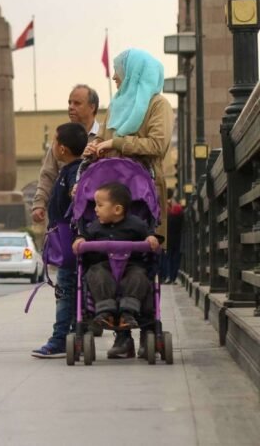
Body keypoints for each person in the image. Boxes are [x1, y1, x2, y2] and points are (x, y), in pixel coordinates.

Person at [85, 48, 172, 358]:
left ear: (134, 72)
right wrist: (96, 149)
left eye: (119, 70)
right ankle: (122, 338)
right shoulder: (119, 106)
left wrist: (117, 143)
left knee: (142, 265)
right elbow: (107, 143)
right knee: (107, 264)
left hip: (143, 197)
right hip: (112, 195)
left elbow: (157, 145)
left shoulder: (157, 105)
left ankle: (148, 329)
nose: (114, 76)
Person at [31, 122, 89, 358]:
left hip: (69, 246)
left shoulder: (72, 174)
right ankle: (75, 334)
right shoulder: (72, 171)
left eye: (54, 142)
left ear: (62, 149)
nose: (52, 146)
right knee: (73, 291)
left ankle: (59, 339)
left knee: (65, 291)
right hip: (70, 243)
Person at [72, 182, 160, 332]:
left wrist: (151, 239)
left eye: (100, 205)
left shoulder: (136, 224)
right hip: (103, 265)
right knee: (96, 274)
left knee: (139, 276)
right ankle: (106, 311)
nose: (95, 209)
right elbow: (84, 237)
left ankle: (128, 311)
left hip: (131, 265)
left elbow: (149, 238)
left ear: (117, 209)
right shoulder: (94, 226)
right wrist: (79, 240)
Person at [31, 85, 101, 226]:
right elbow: (48, 174)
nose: (70, 107)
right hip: (63, 219)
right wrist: (39, 203)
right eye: (69, 102)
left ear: (92, 107)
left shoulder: (104, 136)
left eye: (77, 103)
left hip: (96, 219)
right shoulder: (61, 138)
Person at [163, 192, 184, 284]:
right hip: (177, 238)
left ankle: (168, 276)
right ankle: (174, 277)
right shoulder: (179, 211)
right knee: (175, 258)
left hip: (168, 238)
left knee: (168, 258)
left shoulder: (166, 212)